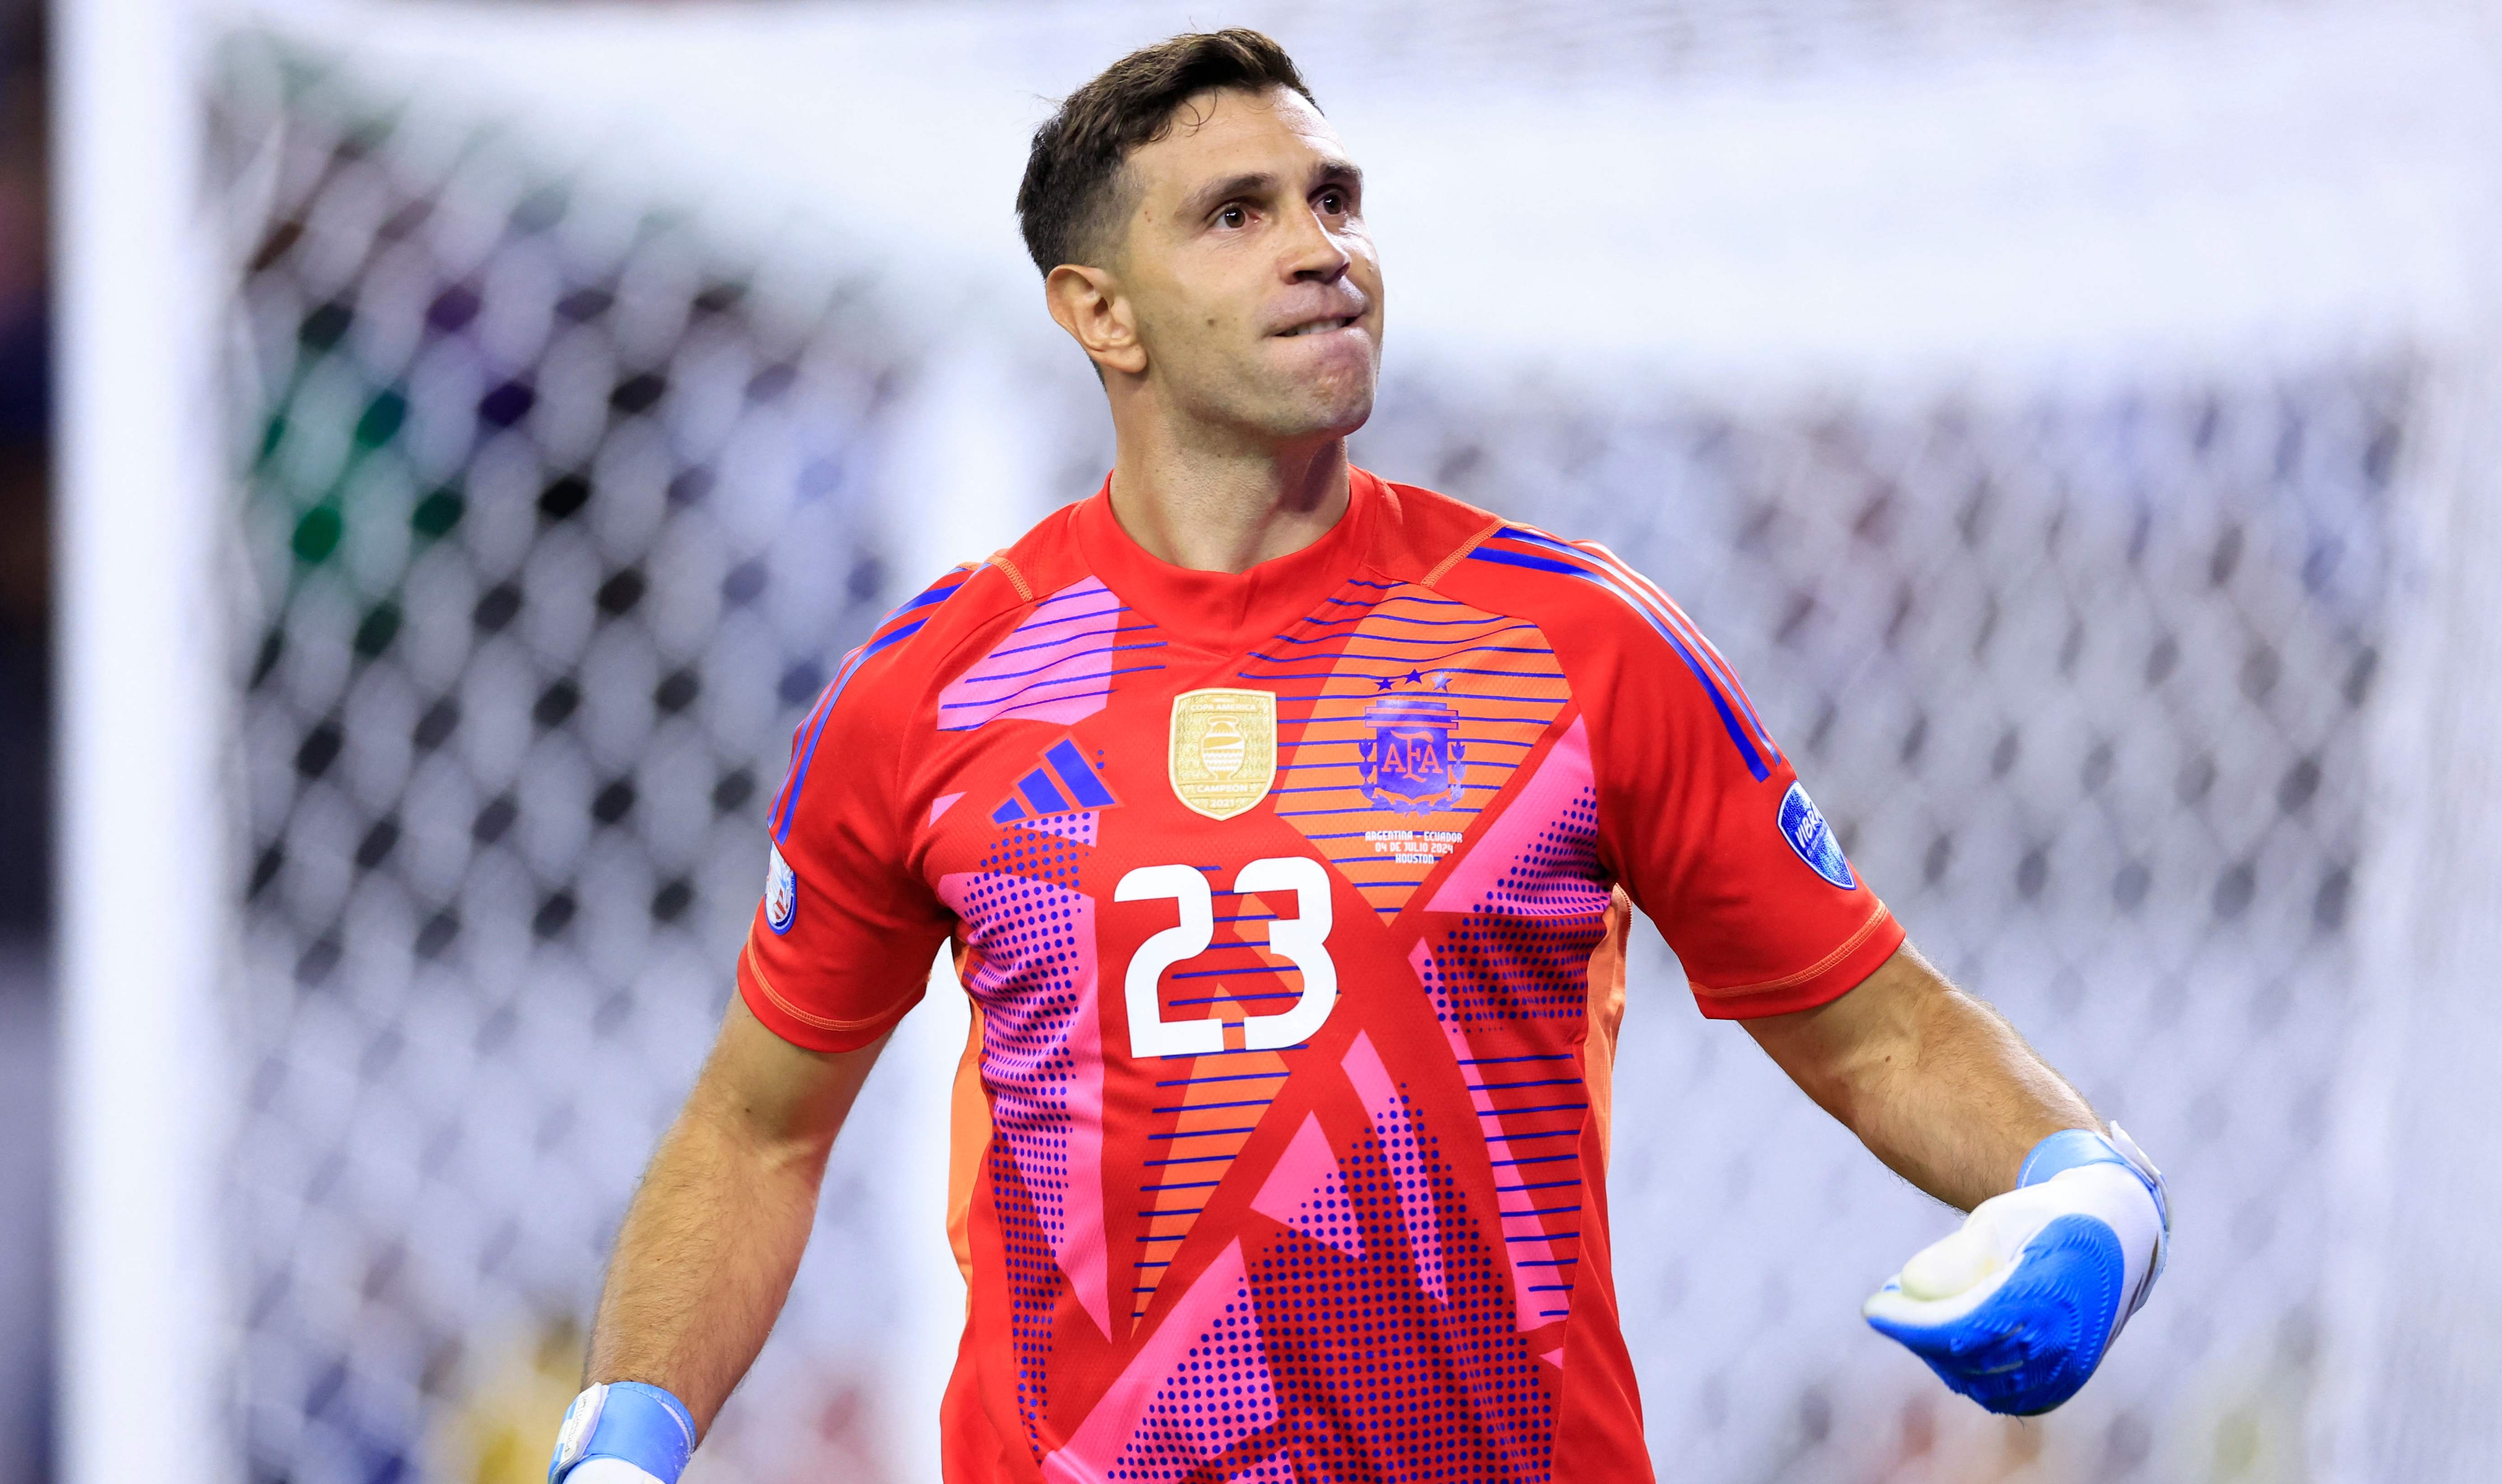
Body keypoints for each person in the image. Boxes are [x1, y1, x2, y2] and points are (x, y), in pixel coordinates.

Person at [545, 29, 2169, 1484]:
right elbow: (757, 1129)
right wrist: (627, 1432)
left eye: (1335, 199)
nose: (1323, 250)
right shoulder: (931, 694)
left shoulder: (1574, 643)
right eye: (1236, 215)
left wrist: (2081, 1182)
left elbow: (1874, 1029)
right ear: (1095, 312)